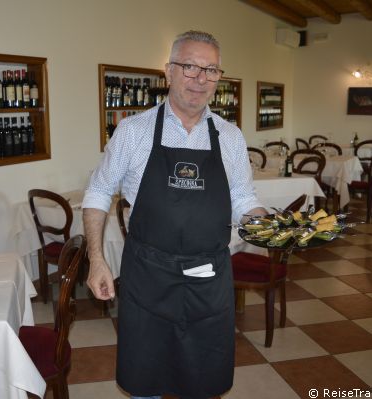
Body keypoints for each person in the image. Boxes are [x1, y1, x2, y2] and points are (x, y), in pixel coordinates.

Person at [82, 30, 267, 399]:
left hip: (209, 278)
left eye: (211, 70)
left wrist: (271, 228)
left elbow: (244, 197)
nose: (200, 79)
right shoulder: (133, 131)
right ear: (168, 71)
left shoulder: (229, 136)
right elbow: (99, 191)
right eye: (189, 66)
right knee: (145, 379)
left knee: (203, 381)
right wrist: (96, 259)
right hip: (148, 277)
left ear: (219, 77)